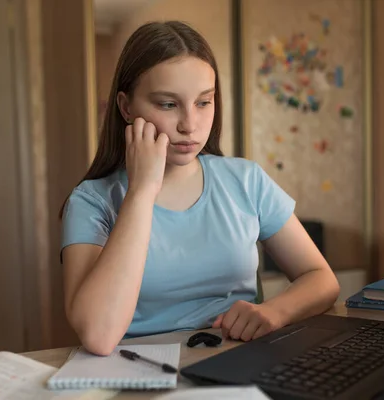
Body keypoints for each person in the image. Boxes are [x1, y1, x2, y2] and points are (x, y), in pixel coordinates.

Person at [60, 21, 340, 356]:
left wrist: (273, 312)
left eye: (204, 102)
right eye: (168, 104)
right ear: (126, 107)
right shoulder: (91, 202)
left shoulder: (246, 180)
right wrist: (141, 193)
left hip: (239, 363)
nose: (189, 125)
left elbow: (321, 279)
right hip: (139, 374)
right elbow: (97, 335)